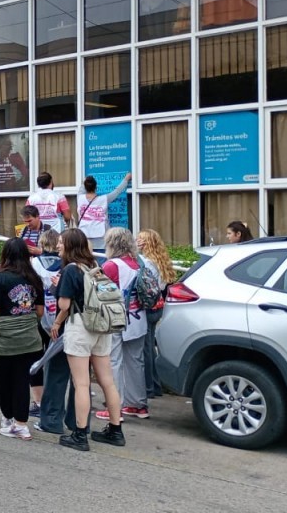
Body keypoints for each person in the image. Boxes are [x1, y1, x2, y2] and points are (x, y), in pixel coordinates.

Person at [51, 228, 125, 451]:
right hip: (101, 327)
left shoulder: (70, 270)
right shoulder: (95, 267)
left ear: (70, 245)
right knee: (107, 381)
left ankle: (80, 434)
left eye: (61, 242)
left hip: (80, 326)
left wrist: (57, 289)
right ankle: (115, 429)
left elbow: (64, 305)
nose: (58, 246)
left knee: (81, 383)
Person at [0, 238, 45, 441]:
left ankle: (8, 417)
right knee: (22, 380)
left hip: (4, 336)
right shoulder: (34, 277)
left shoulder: (0, 278)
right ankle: (22, 424)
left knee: (4, 379)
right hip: (29, 337)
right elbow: (39, 311)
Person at [94, 228, 150, 421]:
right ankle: (137, 405)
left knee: (113, 362)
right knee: (135, 362)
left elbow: (98, 293)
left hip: (116, 319)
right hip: (138, 318)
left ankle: (114, 407)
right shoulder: (139, 263)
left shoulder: (111, 266)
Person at [29, 229, 71, 433]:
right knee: (60, 365)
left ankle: (40, 403)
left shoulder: (34, 264)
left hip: (42, 315)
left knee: (40, 359)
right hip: (64, 319)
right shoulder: (69, 265)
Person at [136, 229, 177, 399]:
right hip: (158, 306)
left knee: (145, 350)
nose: (136, 241)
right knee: (151, 349)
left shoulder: (145, 262)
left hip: (147, 307)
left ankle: (149, 388)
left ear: (146, 243)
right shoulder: (160, 260)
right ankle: (156, 385)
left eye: (139, 239)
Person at [76, 174, 132, 250]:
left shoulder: (80, 197)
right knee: (102, 259)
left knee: (86, 258)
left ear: (85, 187)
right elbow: (117, 191)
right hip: (101, 237)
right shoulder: (104, 199)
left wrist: (85, 181)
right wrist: (126, 179)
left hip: (84, 235)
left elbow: (81, 189)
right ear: (96, 187)